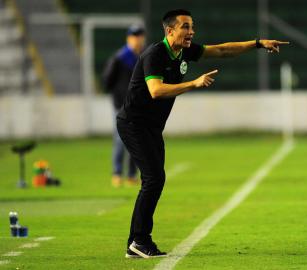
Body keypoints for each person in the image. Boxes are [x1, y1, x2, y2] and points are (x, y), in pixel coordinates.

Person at [117, 9, 289, 258]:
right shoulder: (154, 54)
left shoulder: (184, 51)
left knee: (153, 180)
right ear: (170, 30)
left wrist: (258, 43)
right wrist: (193, 83)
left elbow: (222, 50)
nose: (191, 32)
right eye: (185, 27)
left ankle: (136, 242)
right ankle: (140, 240)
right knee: (154, 179)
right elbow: (156, 90)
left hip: (152, 126)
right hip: (133, 123)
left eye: (192, 27)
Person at [102, 25, 146, 187]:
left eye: (140, 35)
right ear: (129, 38)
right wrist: (118, 95)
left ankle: (132, 175)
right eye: (135, 36)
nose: (137, 39)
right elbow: (107, 81)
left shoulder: (143, 57)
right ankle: (117, 173)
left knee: (136, 140)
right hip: (121, 105)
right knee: (120, 139)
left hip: (138, 105)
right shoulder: (119, 58)